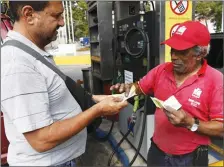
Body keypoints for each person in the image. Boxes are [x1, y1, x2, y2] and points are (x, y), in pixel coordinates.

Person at [1, 1, 128, 166]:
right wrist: (98, 110)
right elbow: (41, 140)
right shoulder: (17, 64)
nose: (62, 22)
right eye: (56, 15)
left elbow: (55, 95)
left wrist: (97, 99)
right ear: (29, 15)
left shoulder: (32, 51)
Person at [110, 21, 223, 166]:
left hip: (190, 159)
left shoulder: (216, 81)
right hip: (157, 153)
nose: (174, 56)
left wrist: (190, 123)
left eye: (181, 52)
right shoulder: (161, 71)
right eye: (172, 50)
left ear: (199, 54)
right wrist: (126, 88)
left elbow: (221, 129)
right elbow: (139, 87)